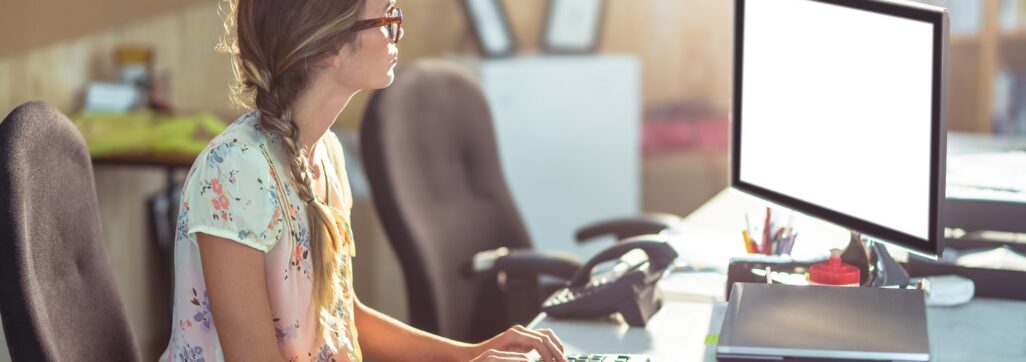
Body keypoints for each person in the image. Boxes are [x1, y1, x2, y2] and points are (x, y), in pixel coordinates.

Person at [160, 0, 566, 361]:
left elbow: (344, 318)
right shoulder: (234, 172)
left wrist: (472, 353)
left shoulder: (326, 153)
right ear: (328, 48)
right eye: (386, 18)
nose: (396, 31)